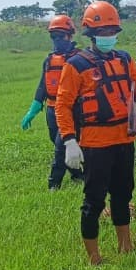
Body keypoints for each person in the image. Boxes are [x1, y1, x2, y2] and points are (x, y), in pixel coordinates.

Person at [54, 1, 136, 264]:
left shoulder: (123, 59)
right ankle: (94, 258)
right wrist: (69, 141)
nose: (107, 37)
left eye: (112, 31)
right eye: (102, 33)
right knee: (94, 200)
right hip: (95, 143)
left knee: (124, 194)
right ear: (90, 34)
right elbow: (63, 105)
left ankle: (126, 246)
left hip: (124, 139)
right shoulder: (76, 65)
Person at [20, 14, 84, 190]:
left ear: (70, 35)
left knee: (60, 147)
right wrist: (32, 110)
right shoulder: (49, 60)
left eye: (61, 36)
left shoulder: (80, 59)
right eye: (53, 36)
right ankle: (77, 174)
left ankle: (54, 184)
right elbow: (43, 86)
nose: (57, 40)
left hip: (72, 110)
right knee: (57, 141)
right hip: (51, 109)